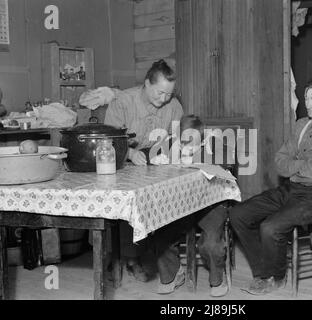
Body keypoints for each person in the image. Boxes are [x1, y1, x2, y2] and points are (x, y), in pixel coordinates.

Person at [229, 75, 312, 295]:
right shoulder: (301, 124)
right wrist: (304, 168)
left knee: (270, 226)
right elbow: (279, 163)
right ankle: (263, 271)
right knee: (239, 213)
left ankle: (276, 277)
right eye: (307, 99)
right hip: (293, 188)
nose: (308, 104)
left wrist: (299, 168)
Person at [79, 59, 184, 280]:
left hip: (155, 160)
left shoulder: (174, 107)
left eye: (169, 94)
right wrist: (128, 153)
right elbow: (110, 140)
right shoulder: (124, 101)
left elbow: (176, 139)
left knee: (162, 200)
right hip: (120, 159)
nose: (164, 99)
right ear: (147, 83)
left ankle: (149, 255)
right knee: (125, 204)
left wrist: (168, 152)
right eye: (160, 93)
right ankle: (125, 257)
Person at [150, 115, 234, 297]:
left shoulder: (215, 143)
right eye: (183, 143)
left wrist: (198, 159)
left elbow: (228, 160)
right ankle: (173, 273)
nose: (187, 148)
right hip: (182, 205)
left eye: (193, 144)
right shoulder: (172, 143)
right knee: (161, 235)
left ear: (203, 139)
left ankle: (217, 278)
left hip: (211, 205)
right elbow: (147, 151)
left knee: (210, 243)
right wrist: (157, 159)